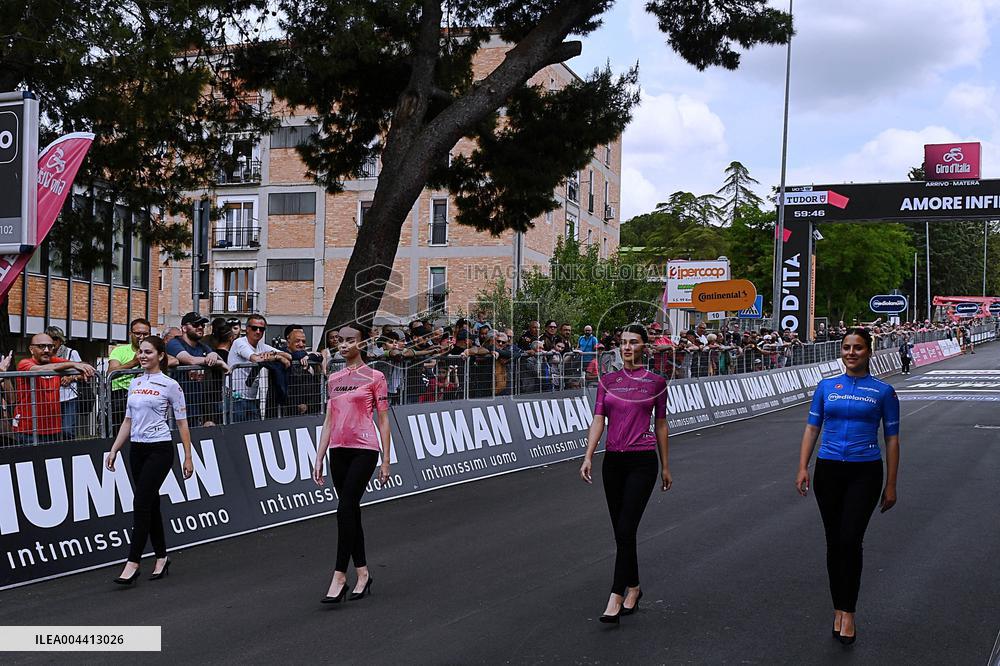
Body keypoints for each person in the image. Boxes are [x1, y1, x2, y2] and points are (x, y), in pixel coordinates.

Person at [795, 327, 900, 645]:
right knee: (833, 542)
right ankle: (837, 608)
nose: (851, 352)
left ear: (869, 351)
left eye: (857, 347)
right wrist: (802, 467)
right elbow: (812, 429)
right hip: (828, 471)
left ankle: (850, 612)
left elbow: (892, 440)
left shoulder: (883, 392)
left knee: (851, 540)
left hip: (865, 473)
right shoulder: (827, 387)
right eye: (846, 347)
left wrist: (892, 483)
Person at [579, 324, 671, 624]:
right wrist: (589, 455)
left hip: (642, 462)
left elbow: (660, 425)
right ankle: (634, 587)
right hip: (613, 463)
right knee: (621, 531)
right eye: (623, 342)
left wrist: (666, 465)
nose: (627, 347)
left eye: (633, 342)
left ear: (645, 346)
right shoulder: (607, 381)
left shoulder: (656, 382)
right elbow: (598, 421)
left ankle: (616, 594)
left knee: (626, 528)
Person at [312, 324, 392, 604]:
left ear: (363, 343)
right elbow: (328, 420)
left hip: (364, 450)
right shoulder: (333, 379)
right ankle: (363, 572)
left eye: (350, 340)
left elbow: (383, 420)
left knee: (344, 508)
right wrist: (319, 456)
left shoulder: (375, 376)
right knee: (351, 513)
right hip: (338, 450)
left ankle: (339, 575)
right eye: (340, 341)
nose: (343, 345)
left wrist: (386, 459)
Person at [106, 336, 193, 584]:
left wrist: (188, 457)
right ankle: (162, 557)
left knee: (141, 503)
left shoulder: (170, 385)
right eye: (141, 352)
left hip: (160, 450)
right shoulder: (134, 383)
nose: (143, 356)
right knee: (150, 504)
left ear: (161, 355)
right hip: (137, 450)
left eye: (148, 352)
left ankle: (133, 561)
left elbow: (182, 423)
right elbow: (128, 421)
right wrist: (114, 449)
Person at [15, 333, 96, 444]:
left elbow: (81, 364)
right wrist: (72, 365)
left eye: (50, 346)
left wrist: (81, 369)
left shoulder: (54, 361)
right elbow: (39, 370)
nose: (47, 350)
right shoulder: (24, 363)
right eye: (41, 346)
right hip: (29, 430)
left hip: (53, 429)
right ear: (31, 349)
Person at [166, 312, 229, 426]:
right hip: (175, 408)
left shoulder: (202, 346)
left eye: (202, 325)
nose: (200, 327)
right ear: (184, 328)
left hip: (196, 407)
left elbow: (218, 358)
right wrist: (214, 361)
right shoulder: (174, 343)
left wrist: (214, 355)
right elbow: (190, 360)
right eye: (195, 325)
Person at [229, 314, 291, 421]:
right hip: (235, 399)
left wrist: (274, 355)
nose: (258, 331)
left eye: (261, 329)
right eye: (254, 328)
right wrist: (277, 357)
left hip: (252, 398)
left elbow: (288, 356)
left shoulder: (261, 346)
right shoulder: (239, 342)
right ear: (247, 329)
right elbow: (255, 359)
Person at [108, 318, 152, 427]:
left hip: (147, 394)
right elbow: (110, 372)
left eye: (145, 334)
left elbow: (173, 360)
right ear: (130, 334)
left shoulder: (154, 351)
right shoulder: (119, 350)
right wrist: (133, 362)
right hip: (121, 395)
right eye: (137, 334)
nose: (141, 337)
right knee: (120, 429)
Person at [46, 326, 84, 439]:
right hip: (49, 397)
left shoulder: (71, 353)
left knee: (67, 429)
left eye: (55, 338)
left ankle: (69, 451)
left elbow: (83, 372)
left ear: (60, 340)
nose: (52, 341)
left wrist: (71, 377)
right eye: (49, 338)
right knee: (51, 430)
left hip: (68, 396)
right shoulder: (45, 355)